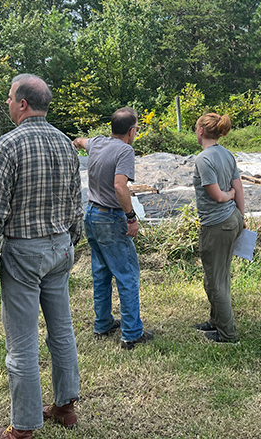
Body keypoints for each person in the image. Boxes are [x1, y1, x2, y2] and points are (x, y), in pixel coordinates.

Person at [0, 74, 82, 439]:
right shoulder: (66, 144)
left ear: (22, 103)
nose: (6, 103)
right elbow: (74, 201)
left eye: (8, 98)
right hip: (59, 246)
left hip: (23, 249)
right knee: (62, 330)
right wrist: (71, 241)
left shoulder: (7, 145)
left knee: (21, 343)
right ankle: (65, 407)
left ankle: (23, 427)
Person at [73, 107, 153, 350]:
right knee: (127, 274)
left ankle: (103, 323)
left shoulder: (97, 143)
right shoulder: (125, 150)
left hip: (92, 214)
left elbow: (78, 141)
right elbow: (120, 187)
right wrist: (131, 217)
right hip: (111, 218)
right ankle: (131, 333)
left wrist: (74, 143)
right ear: (131, 131)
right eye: (136, 129)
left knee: (101, 273)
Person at [193, 112, 245, 344]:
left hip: (217, 224)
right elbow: (239, 188)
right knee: (216, 277)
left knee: (216, 281)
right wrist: (241, 217)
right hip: (231, 219)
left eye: (196, 128)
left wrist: (228, 196)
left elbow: (217, 195)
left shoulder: (204, 159)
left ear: (201, 131)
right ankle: (216, 321)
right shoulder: (226, 154)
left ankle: (228, 334)